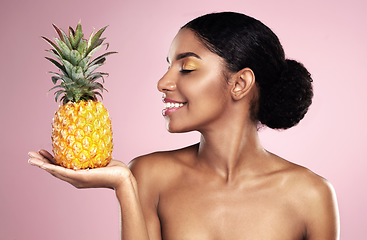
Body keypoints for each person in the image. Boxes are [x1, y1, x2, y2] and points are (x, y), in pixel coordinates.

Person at [28, 12, 340, 240]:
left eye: (187, 67)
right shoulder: (148, 175)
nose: (164, 82)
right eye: (168, 65)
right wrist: (123, 185)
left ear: (240, 83)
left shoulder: (311, 194)